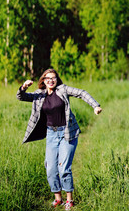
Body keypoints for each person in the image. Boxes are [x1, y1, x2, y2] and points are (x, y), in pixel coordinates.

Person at [16, 69, 102, 210]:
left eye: (53, 78)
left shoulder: (63, 90)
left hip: (67, 133)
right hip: (51, 134)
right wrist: (23, 87)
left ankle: (69, 200)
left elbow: (82, 93)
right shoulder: (39, 94)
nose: (51, 80)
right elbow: (21, 97)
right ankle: (58, 199)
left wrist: (95, 105)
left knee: (64, 168)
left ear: (57, 79)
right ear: (43, 80)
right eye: (47, 78)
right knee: (50, 169)